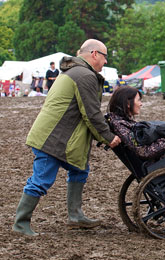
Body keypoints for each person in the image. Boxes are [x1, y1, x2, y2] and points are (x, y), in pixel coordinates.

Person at [12, 39, 121, 237]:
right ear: (95, 54)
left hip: (57, 136)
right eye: (105, 57)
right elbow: (91, 113)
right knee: (41, 180)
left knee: (79, 169)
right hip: (52, 140)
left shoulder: (75, 72)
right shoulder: (84, 75)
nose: (106, 62)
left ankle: (75, 216)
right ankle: (21, 223)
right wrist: (108, 137)